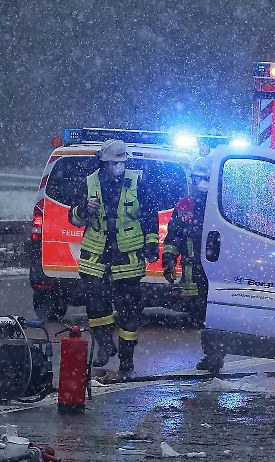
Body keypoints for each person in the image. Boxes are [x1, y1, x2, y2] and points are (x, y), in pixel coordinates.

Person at [68, 139, 160, 377]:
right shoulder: (89, 183)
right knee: (95, 303)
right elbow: (73, 217)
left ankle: (126, 359)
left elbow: (150, 215)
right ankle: (104, 345)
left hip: (127, 256)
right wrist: (82, 210)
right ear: (103, 162)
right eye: (113, 163)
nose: (117, 167)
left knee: (129, 309)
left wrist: (151, 245)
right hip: (96, 255)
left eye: (121, 163)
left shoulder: (137, 182)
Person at [162, 156, 211, 332]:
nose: (201, 183)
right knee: (195, 312)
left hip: (214, 268)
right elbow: (174, 234)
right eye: (198, 178)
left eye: (206, 178)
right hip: (192, 272)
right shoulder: (185, 204)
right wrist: (169, 259)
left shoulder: (221, 204)